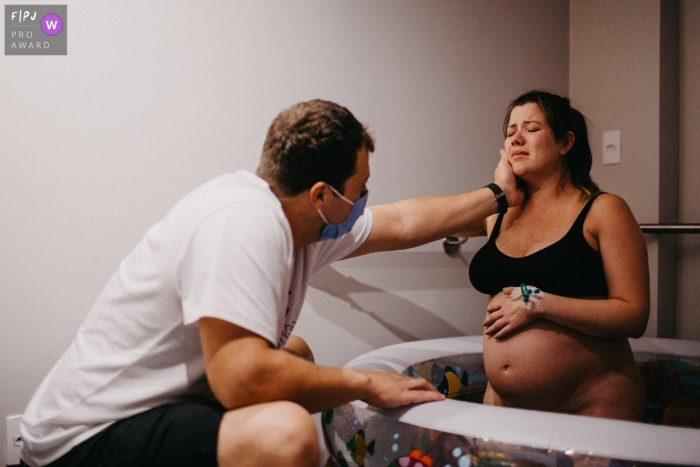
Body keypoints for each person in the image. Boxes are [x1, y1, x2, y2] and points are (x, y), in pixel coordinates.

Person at [20, 99, 522, 467]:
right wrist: (367, 384)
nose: (366, 197)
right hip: (81, 437)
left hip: (160, 403)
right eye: (360, 189)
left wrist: (500, 194)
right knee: (285, 437)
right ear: (322, 195)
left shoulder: (302, 221)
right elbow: (240, 377)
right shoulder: (243, 222)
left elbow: (408, 222)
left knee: (296, 353)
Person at [463, 90, 649, 421]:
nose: (517, 139)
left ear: (565, 142)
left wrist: (538, 302)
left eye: (531, 129)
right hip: (504, 406)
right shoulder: (499, 214)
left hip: (592, 406)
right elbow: (413, 225)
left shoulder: (604, 210)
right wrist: (499, 192)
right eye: (510, 133)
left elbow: (633, 315)